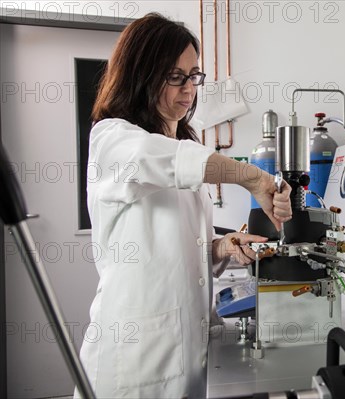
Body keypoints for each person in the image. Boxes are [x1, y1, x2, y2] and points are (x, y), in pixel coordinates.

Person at [76, 13, 292, 398]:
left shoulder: (184, 147)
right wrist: (254, 177)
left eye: (194, 75)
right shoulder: (113, 138)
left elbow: (183, 248)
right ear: (140, 75)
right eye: (175, 76)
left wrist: (222, 247)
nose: (189, 87)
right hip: (137, 355)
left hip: (186, 346)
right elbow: (160, 158)